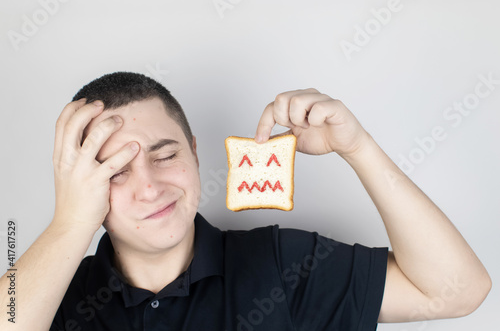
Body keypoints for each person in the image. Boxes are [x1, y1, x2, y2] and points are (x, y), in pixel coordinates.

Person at [0, 72, 491, 331]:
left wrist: (357, 147)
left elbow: (457, 291)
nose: (149, 187)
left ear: (193, 152)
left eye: (165, 154)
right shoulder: (54, 295)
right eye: (115, 171)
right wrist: (69, 223)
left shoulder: (283, 265)